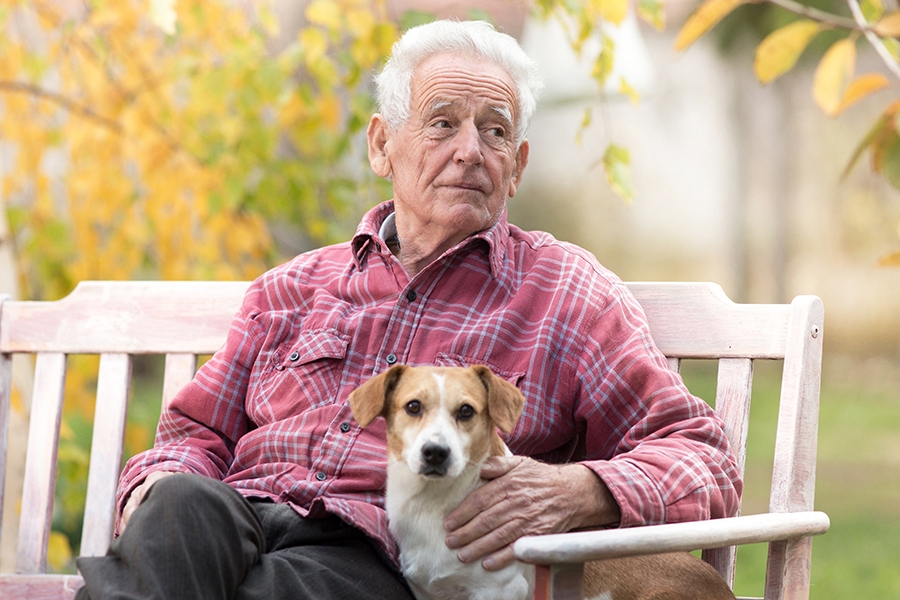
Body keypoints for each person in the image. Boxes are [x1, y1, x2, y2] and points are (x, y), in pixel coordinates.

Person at [75, 19, 741, 600]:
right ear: (381, 145)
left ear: (517, 166)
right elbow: (195, 437)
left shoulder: (566, 293)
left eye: (495, 131)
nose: (470, 151)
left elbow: (703, 458)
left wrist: (579, 491)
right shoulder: (291, 288)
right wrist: (156, 489)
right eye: (443, 123)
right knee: (181, 507)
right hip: (235, 519)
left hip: (367, 552)